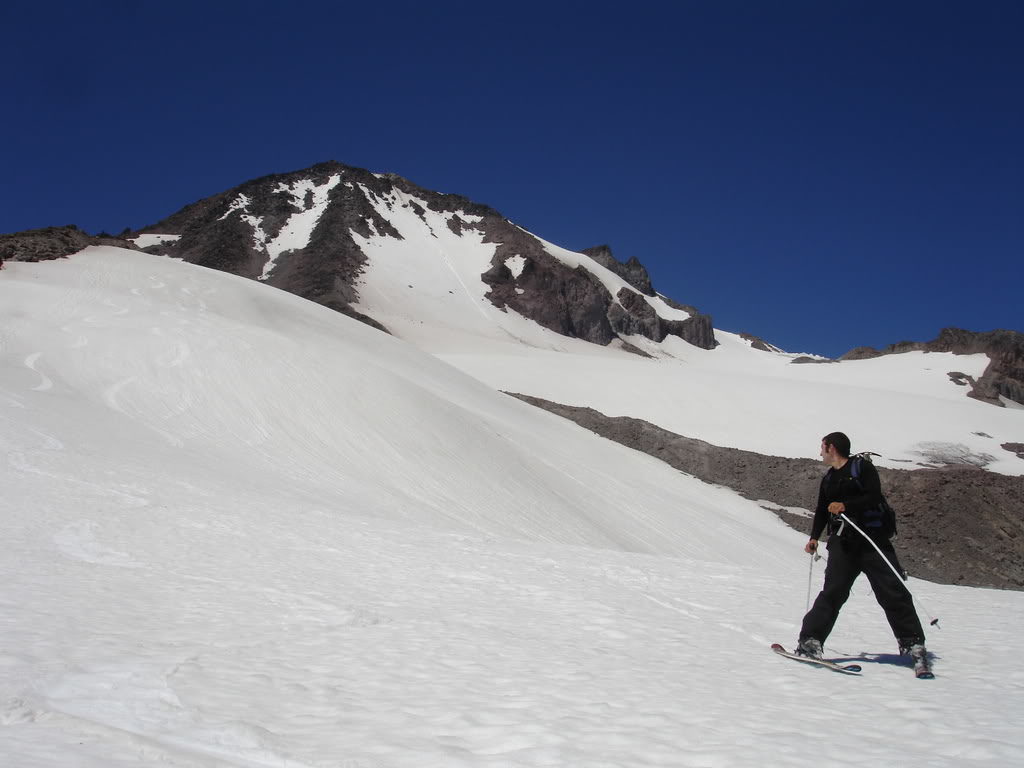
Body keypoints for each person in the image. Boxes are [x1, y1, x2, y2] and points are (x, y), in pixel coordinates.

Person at [796, 432, 929, 671]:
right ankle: (809, 641)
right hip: (843, 543)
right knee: (833, 591)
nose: (820, 452)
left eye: (822, 447)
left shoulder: (862, 469)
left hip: (872, 541)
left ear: (831, 448)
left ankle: (913, 643)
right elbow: (821, 510)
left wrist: (846, 506)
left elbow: (873, 496)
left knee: (891, 589)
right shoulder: (829, 479)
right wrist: (814, 537)